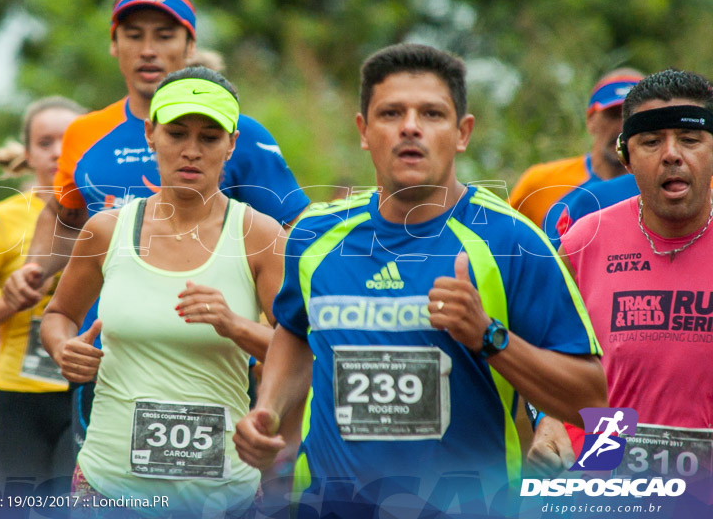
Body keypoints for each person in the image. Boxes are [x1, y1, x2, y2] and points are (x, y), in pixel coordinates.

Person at [233, 44, 607, 518]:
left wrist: (489, 336)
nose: (410, 126)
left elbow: (595, 401)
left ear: (462, 133)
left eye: (431, 113)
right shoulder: (315, 234)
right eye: (391, 113)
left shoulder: (512, 240)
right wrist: (267, 408)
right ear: (364, 131)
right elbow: (294, 328)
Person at [4, 0, 308, 457]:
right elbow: (64, 217)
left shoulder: (242, 133)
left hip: (214, 362)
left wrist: (262, 335)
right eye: (134, 35)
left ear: (190, 46)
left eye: (165, 36)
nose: (148, 50)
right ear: (114, 44)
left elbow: (294, 237)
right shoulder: (85, 132)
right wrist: (36, 270)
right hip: (114, 355)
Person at [40, 67, 285, 517]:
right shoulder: (106, 230)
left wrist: (235, 326)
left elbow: (298, 350)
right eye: (176, 133)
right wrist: (62, 348)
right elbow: (58, 315)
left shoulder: (259, 236)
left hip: (223, 495)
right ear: (150, 134)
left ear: (232, 143)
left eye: (210, 138)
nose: (191, 151)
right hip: (108, 492)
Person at [528, 70, 713, 501]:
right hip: (604, 479)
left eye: (689, 139)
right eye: (651, 142)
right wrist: (550, 420)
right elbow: (541, 353)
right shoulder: (583, 241)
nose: (671, 155)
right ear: (625, 156)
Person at [0, 96, 85, 494]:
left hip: (91, 393)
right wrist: (12, 301)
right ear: (27, 153)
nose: (58, 151)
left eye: (69, 139)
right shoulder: (2, 218)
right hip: (18, 398)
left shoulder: (114, 215)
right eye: (44, 142)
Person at [509, 68, 643, 227]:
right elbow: (497, 240)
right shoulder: (540, 185)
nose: (622, 127)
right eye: (613, 115)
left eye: (633, 117)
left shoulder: (664, 192)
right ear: (590, 121)